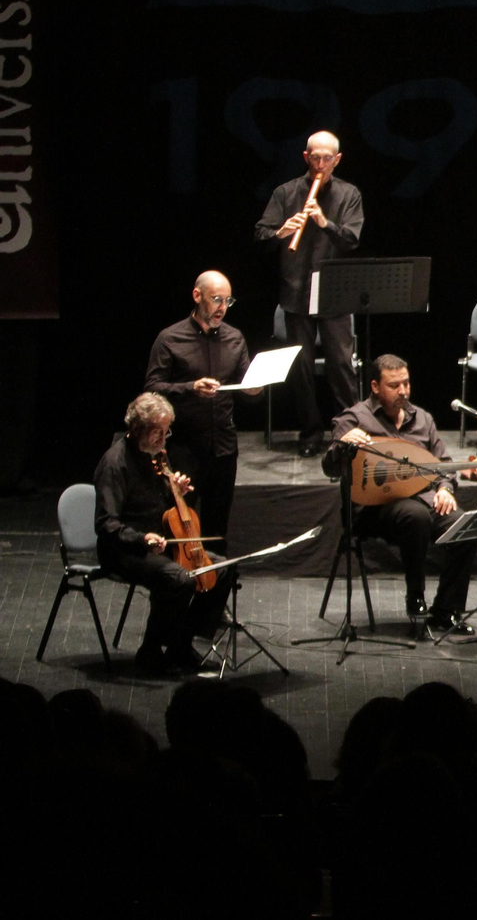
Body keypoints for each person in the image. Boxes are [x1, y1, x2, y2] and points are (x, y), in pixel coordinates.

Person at [325, 354, 477, 632]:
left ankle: (446, 610)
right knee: (416, 516)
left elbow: (443, 464)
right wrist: (342, 445)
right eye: (394, 386)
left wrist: (445, 488)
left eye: (406, 384)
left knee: (466, 527)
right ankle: (415, 594)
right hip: (373, 509)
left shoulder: (422, 419)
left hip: (421, 499)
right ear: (375, 387)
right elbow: (330, 467)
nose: (403, 391)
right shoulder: (354, 419)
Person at [93, 393, 236, 673]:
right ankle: (150, 652)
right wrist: (141, 539)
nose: (163, 438)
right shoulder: (115, 464)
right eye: (157, 431)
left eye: (166, 430)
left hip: (162, 543)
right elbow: (105, 523)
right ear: (137, 429)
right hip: (124, 550)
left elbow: (167, 513)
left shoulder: (158, 456)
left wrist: (178, 494)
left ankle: (181, 644)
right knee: (180, 579)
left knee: (221, 568)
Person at [255, 131, 363, 457]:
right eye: (314, 157)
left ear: (337, 159)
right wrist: (280, 231)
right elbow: (261, 233)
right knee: (300, 367)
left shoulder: (348, 194)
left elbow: (352, 239)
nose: (319, 164)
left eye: (326, 158)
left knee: (341, 366)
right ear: (305, 157)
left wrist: (324, 222)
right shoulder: (286, 192)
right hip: (296, 290)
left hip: (334, 293)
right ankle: (311, 432)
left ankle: (348, 432)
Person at [143, 271, 260, 555]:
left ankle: (214, 595)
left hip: (223, 448)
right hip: (184, 449)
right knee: (180, 527)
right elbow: (152, 388)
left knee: (217, 530)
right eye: (216, 299)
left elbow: (248, 385)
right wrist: (189, 388)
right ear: (198, 297)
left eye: (227, 301)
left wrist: (254, 390)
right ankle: (179, 589)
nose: (222, 307)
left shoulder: (234, 338)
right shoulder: (170, 339)